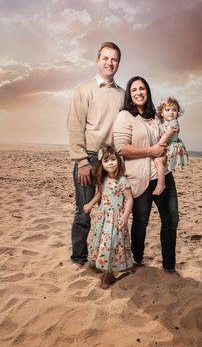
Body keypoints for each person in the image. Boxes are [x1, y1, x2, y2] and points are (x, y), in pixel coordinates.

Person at [113, 76, 179, 274]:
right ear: (129, 95)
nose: (138, 92)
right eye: (134, 90)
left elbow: (170, 132)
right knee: (141, 222)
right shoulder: (125, 116)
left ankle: (169, 265)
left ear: (147, 92)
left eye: (142, 89)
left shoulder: (156, 117)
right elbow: (121, 149)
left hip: (163, 175)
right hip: (140, 178)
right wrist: (152, 151)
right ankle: (137, 258)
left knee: (171, 220)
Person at [67, 42, 125, 266]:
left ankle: (103, 257)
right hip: (88, 160)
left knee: (109, 212)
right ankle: (79, 258)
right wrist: (81, 161)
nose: (110, 63)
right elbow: (75, 126)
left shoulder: (122, 95)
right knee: (84, 212)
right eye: (106, 58)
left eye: (114, 59)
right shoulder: (83, 89)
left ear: (118, 63)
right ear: (97, 60)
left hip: (110, 161)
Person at [84, 145, 133, 289]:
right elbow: (99, 194)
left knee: (111, 244)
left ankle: (109, 274)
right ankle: (103, 266)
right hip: (103, 217)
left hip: (116, 219)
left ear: (118, 160)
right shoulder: (104, 179)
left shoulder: (122, 180)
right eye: (106, 161)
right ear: (102, 164)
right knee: (101, 242)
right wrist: (90, 204)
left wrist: (125, 216)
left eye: (113, 159)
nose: (110, 163)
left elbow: (129, 199)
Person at [152, 97, 188, 195]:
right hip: (166, 146)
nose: (171, 112)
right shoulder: (163, 123)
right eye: (167, 110)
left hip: (171, 147)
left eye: (174, 110)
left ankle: (161, 184)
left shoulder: (174, 122)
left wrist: (156, 147)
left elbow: (166, 135)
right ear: (162, 112)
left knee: (158, 160)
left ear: (178, 113)